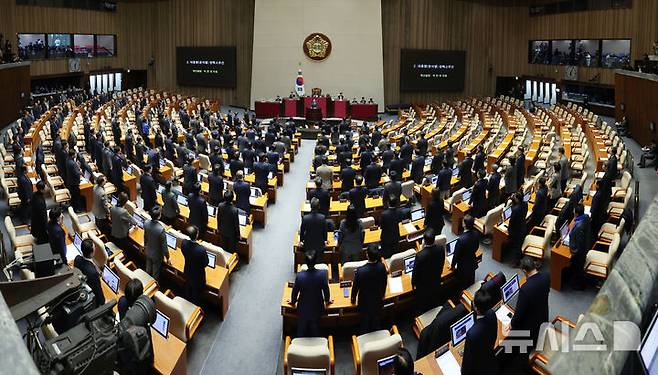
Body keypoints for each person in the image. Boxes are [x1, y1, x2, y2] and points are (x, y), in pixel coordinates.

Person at [510, 256, 550, 350]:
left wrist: (512, 323)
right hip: (543, 317)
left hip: (530, 329)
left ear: (524, 271)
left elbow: (519, 315)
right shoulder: (546, 276)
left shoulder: (525, 289)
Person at [289, 250, 332, 337]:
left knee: (301, 331)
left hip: (303, 310)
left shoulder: (299, 276)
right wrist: (327, 301)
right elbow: (326, 290)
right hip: (317, 308)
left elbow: (295, 292)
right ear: (316, 261)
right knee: (315, 331)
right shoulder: (322, 274)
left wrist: (293, 302)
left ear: (305, 262)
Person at [461, 289, 499, 375]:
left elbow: (467, 361)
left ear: (476, 307)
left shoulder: (472, 334)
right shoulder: (492, 314)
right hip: (490, 359)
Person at [351, 244, 388, 333]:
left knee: (365, 323)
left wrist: (353, 298)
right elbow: (384, 282)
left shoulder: (360, 271)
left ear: (367, 254)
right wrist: (382, 294)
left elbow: (355, 287)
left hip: (364, 302)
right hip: (377, 299)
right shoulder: (382, 267)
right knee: (376, 320)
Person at [412, 229, 445, 313]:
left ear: (424, 241)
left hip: (423, 285)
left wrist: (413, 283)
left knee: (423, 303)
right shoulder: (441, 249)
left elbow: (415, 272)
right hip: (436, 280)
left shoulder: (420, 255)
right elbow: (442, 263)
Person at [181, 225, 209, 305]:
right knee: (196, 294)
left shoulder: (184, 243)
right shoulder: (201, 249)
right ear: (197, 235)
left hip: (187, 271)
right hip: (198, 276)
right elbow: (205, 263)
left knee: (188, 286)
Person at [74, 239, 106, 307]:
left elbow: (91, 263)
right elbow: (98, 290)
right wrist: (103, 302)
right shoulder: (93, 273)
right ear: (92, 252)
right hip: (91, 293)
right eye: (94, 248)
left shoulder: (77, 258)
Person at [451, 215, 480, 290]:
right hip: (472, 261)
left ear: (464, 224)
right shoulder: (476, 233)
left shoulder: (461, 239)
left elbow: (456, 255)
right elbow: (477, 247)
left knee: (462, 284)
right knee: (471, 280)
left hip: (463, 266)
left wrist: (452, 266)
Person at [144, 205, 169, 283]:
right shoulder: (161, 229)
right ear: (159, 216)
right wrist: (168, 257)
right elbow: (164, 246)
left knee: (148, 269)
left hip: (148, 250)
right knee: (155, 273)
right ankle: (153, 286)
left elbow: (145, 237)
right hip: (157, 255)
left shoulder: (146, 222)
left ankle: (146, 282)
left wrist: (145, 246)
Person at [569, 203, 591, 290]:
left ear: (577, 213)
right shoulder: (586, 218)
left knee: (578, 268)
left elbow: (579, 243)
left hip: (579, 253)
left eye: (574, 211)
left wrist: (573, 252)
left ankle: (580, 285)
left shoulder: (579, 226)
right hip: (586, 245)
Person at [508, 191, 528, 264]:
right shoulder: (525, 204)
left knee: (517, 246)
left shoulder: (515, 209)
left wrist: (509, 230)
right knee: (520, 243)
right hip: (523, 226)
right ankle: (519, 256)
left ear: (517, 199)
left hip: (516, 230)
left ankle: (516, 262)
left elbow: (512, 221)